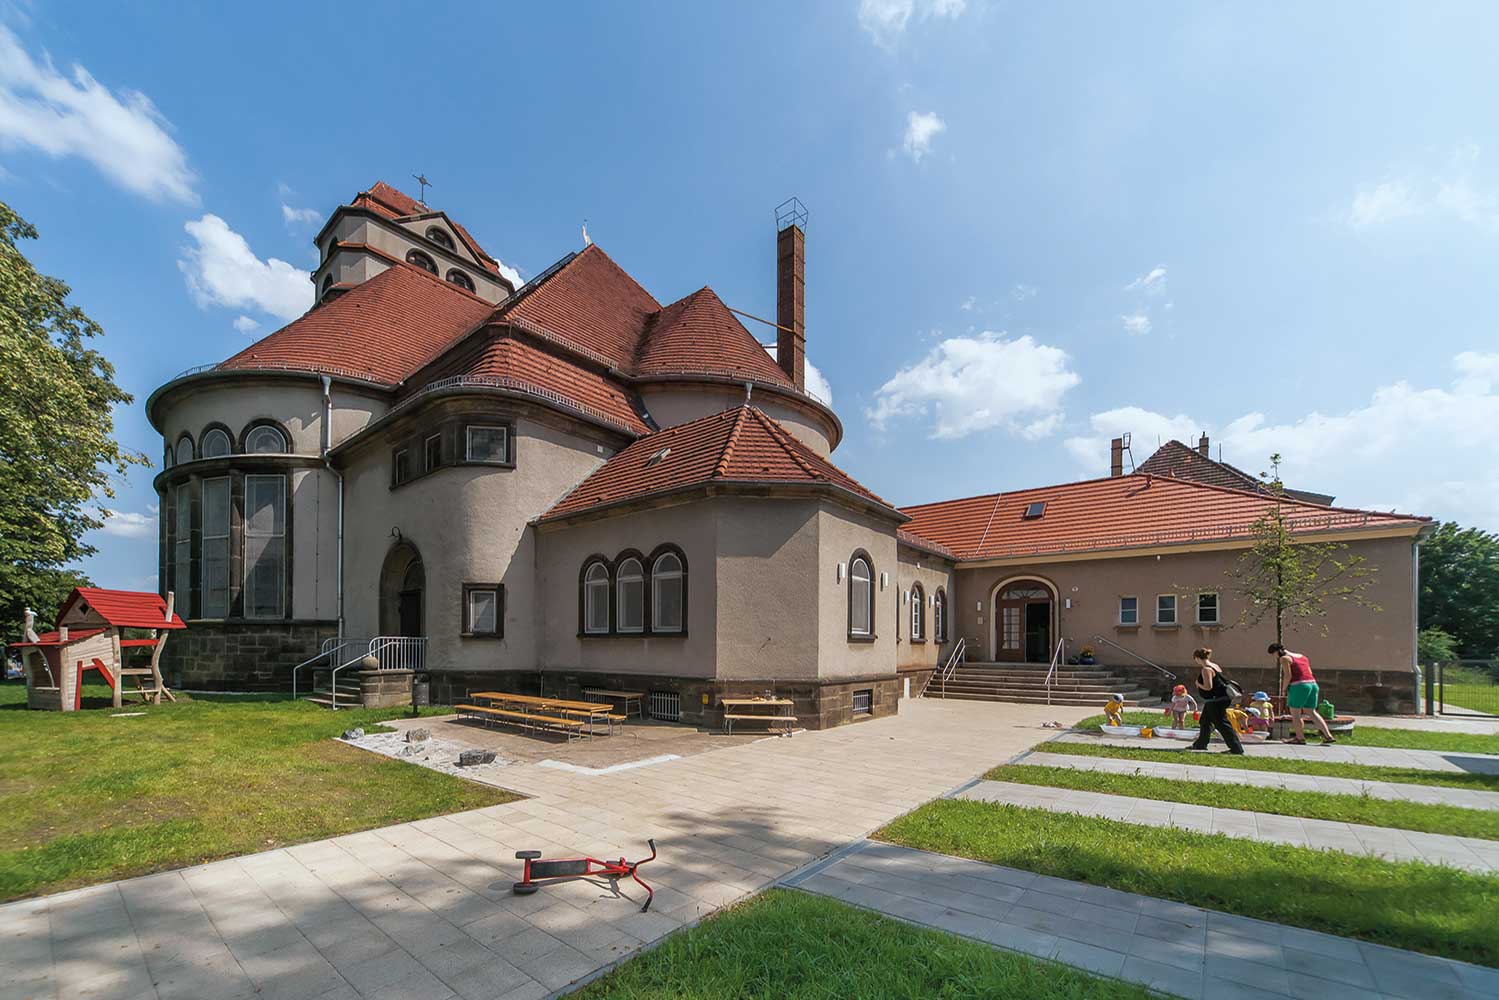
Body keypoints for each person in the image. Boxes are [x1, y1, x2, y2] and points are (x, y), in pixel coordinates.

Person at [1270, 642, 1336, 745]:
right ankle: (1328, 735)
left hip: (1299, 686)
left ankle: (1300, 738)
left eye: (1274, 655)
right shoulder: (1302, 656)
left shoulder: (1284, 659)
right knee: (1311, 712)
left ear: (1277, 652)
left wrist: (1283, 689)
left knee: (1295, 714)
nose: (1275, 658)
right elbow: (1309, 672)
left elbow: (1288, 676)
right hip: (1313, 684)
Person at [1188, 647, 1243, 754]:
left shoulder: (1206, 669)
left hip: (1216, 700)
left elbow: (1208, 687)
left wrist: (1198, 684)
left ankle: (1236, 748)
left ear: (1197, 658)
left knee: (1222, 724)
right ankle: (1201, 744)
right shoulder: (1215, 666)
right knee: (1205, 721)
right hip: (1218, 699)